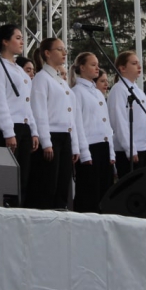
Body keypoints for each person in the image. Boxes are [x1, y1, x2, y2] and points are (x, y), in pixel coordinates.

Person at [29, 38, 84, 209]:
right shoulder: (42, 78)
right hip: (51, 136)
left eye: (64, 49)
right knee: (48, 184)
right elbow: (39, 112)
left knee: (63, 184)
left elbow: (71, 116)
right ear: (47, 53)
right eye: (59, 49)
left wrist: (75, 145)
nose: (64, 53)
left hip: (65, 136)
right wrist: (46, 142)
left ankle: (60, 211)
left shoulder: (60, 81)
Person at [0, 24, 39, 204]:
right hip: (11, 127)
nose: (21, 42)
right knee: (9, 178)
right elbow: (0, 101)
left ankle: (20, 209)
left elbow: (26, 103)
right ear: (5, 41)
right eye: (17, 38)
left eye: (22, 38)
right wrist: (8, 132)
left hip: (24, 126)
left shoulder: (18, 69)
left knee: (23, 177)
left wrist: (33, 130)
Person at [70, 51, 116, 213]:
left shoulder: (97, 93)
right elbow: (78, 124)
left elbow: (106, 124)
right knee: (89, 193)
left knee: (104, 192)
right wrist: (84, 152)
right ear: (82, 67)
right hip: (90, 147)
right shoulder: (77, 92)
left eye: (97, 65)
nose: (97, 68)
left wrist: (111, 152)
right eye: (93, 64)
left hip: (103, 146)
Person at [108, 50, 146, 179]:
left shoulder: (138, 90)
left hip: (144, 148)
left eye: (139, 63)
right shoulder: (119, 89)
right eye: (134, 63)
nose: (139, 66)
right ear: (122, 68)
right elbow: (119, 121)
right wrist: (129, 148)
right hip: (131, 150)